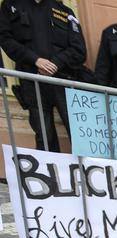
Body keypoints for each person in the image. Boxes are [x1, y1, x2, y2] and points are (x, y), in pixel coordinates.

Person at [0, 0, 86, 152]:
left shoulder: (64, 11)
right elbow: (5, 39)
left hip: (63, 80)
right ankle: (51, 168)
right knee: (44, 135)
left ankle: (86, 167)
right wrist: (35, 60)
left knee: (79, 133)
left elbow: (79, 50)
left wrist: (56, 63)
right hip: (32, 81)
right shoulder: (11, 5)